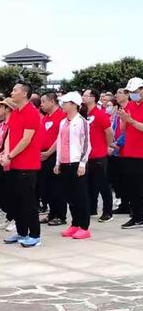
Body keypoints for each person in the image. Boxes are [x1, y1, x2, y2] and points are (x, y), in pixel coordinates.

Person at [0, 82, 42, 248]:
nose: (12, 92)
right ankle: (21, 231)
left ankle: (35, 235)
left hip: (27, 165)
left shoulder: (31, 112)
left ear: (24, 94)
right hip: (14, 163)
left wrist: (10, 155)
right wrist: (6, 154)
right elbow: (10, 134)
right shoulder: (16, 112)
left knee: (28, 202)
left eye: (15, 90)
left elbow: (26, 139)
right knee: (16, 201)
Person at [54, 92, 92, 240]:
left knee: (80, 196)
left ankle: (84, 226)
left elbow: (87, 144)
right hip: (64, 162)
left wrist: (82, 163)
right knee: (70, 196)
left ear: (74, 104)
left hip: (76, 162)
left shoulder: (82, 121)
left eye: (66, 103)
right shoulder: (63, 122)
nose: (63, 105)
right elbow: (59, 142)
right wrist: (58, 162)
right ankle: (75, 223)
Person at [82, 89, 114, 223]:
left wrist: (107, 145)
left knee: (102, 184)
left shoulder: (100, 114)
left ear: (94, 98)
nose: (83, 97)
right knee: (89, 184)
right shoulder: (83, 114)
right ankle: (92, 208)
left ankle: (108, 211)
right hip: (86, 155)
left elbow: (109, 132)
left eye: (86, 95)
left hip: (99, 154)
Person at [118, 78, 143, 229]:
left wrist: (131, 121)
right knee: (132, 187)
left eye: (135, 91)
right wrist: (123, 119)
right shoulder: (130, 105)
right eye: (131, 92)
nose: (133, 95)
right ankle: (137, 216)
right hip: (130, 151)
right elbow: (123, 129)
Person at [39, 92, 67, 226]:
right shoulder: (45, 118)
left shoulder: (62, 116)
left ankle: (60, 215)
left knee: (57, 187)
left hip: (55, 155)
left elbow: (60, 138)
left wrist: (49, 152)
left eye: (43, 102)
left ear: (52, 101)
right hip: (43, 155)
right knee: (47, 187)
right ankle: (52, 213)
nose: (41, 105)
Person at [0, 98, 17, 233]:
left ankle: (15, 218)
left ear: (7, 109)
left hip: (10, 162)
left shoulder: (12, 124)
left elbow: (10, 145)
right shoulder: (1, 124)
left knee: (13, 193)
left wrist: (1, 158)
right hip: (1, 162)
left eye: (0, 107)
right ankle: (9, 216)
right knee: (5, 192)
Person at [110, 89, 130, 214]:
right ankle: (124, 204)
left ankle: (131, 205)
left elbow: (128, 131)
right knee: (119, 180)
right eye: (116, 93)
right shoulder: (118, 111)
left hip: (126, 148)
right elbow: (114, 128)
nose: (117, 95)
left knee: (129, 179)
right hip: (116, 149)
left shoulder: (129, 109)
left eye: (120, 93)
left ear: (127, 95)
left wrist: (118, 143)